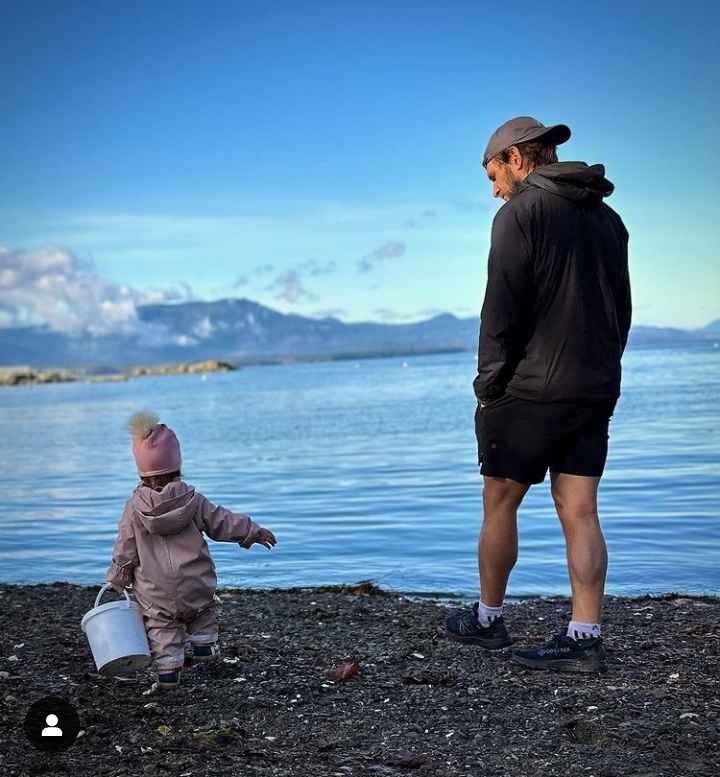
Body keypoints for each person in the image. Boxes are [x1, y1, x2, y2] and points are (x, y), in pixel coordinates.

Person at [447, 117, 631, 672]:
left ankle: (487, 620)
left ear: (517, 159)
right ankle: (584, 635)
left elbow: (500, 309)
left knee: (500, 503)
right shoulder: (609, 218)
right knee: (581, 511)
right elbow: (620, 307)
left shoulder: (519, 214)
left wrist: (487, 386)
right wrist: (605, 369)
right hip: (595, 384)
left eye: (493, 174)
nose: (494, 189)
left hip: (527, 390)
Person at [106, 411, 277, 689]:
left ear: (141, 470)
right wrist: (252, 531)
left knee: (162, 628)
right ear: (177, 466)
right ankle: (204, 648)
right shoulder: (193, 501)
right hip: (195, 583)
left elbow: (125, 548)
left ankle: (168, 673)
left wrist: (117, 579)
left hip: (156, 591)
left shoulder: (134, 509)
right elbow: (222, 521)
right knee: (203, 613)